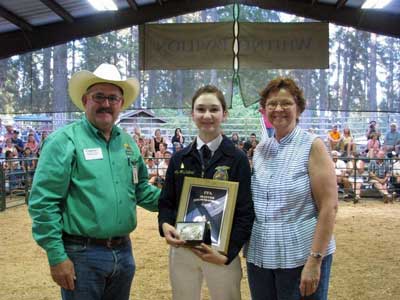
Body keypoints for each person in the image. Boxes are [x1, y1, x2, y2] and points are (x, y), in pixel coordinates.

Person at [28, 63, 161, 300]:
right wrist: (57, 256)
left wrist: (182, 198)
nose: (106, 103)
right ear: (85, 100)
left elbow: (141, 190)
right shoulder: (64, 141)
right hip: (82, 253)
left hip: (123, 251)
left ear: (121, 103)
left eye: (113, 98)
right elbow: (43, 202)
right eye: (99, 96)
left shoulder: (128, 143)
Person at [158, 85, 254, 300]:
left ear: (224, 114)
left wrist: (227, 254)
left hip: (221, 250)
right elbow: (166, 202)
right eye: (201, 109)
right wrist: (165, 225)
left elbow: (246, 211)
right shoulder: (179, 158)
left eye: (214, 109)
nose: (207, 115)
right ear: (192, 114)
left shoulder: (237, 159)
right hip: (184, 246)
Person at [246, 77, 337, 300]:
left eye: (286, 103)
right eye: (272, 104)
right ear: (264, 110)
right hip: (260, 256)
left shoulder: (312, 145)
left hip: (301, 256)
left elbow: (329, 206)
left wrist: (315, 260)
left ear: (298, 108)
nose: (278, 109)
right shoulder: (260, 150)